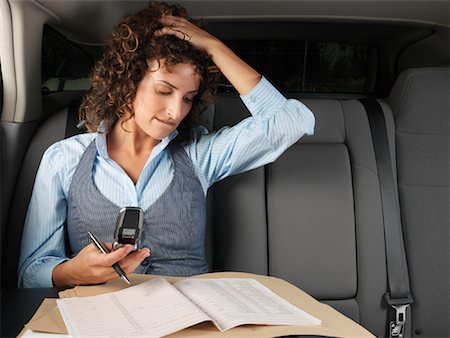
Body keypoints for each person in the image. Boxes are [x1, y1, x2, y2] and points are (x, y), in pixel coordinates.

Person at [18, 1, 315, 288]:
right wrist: (72, 272)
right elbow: (31, 272)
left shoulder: (200, 155)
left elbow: (290, 122)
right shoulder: (63, 159)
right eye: (164, 90)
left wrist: (214, 47)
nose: (176, 111)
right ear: (128, 81)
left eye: (188, 98)